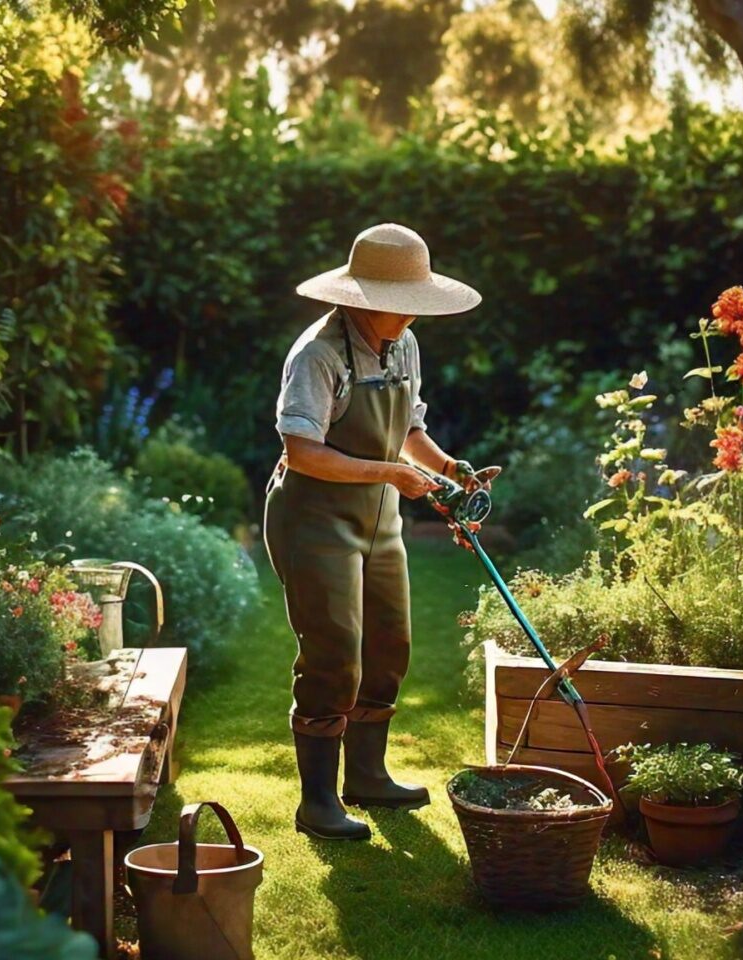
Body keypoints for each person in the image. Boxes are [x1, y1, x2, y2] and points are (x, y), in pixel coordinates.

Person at [264, 223, 499, 840]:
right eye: (403, 301)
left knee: (389, 646)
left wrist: (450, 470)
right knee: (333, 652)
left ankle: (365, 775)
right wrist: (392, 472)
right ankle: (316, 802)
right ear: (363, 296)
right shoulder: (317, 353)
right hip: (314, 518)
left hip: (378, 517)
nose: (411, 315)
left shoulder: (404, 345)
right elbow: (303, 451)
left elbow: (409, 432)